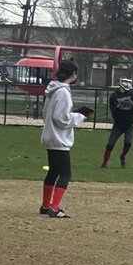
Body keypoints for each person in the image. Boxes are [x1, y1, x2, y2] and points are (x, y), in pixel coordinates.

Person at [40, 59, 91, 218]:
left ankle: (45, 206)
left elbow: (49, 114)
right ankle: (54, 208)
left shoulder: (53, 89)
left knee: (53, 172)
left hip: (50, 136)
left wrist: (74, 113)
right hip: (59, 138)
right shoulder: (63, 91)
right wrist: (79, 116)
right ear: (73, 74)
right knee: (65, 174)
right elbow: (61, 118)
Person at [102, 78, 133, 168]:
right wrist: (119, 106)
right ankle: (105, 163)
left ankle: (123, 156)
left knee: (128, 142)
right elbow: (113, 111)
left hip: (130, 124)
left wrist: (132, 104)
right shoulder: (114, 96)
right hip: (118, 124)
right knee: (110, 144)